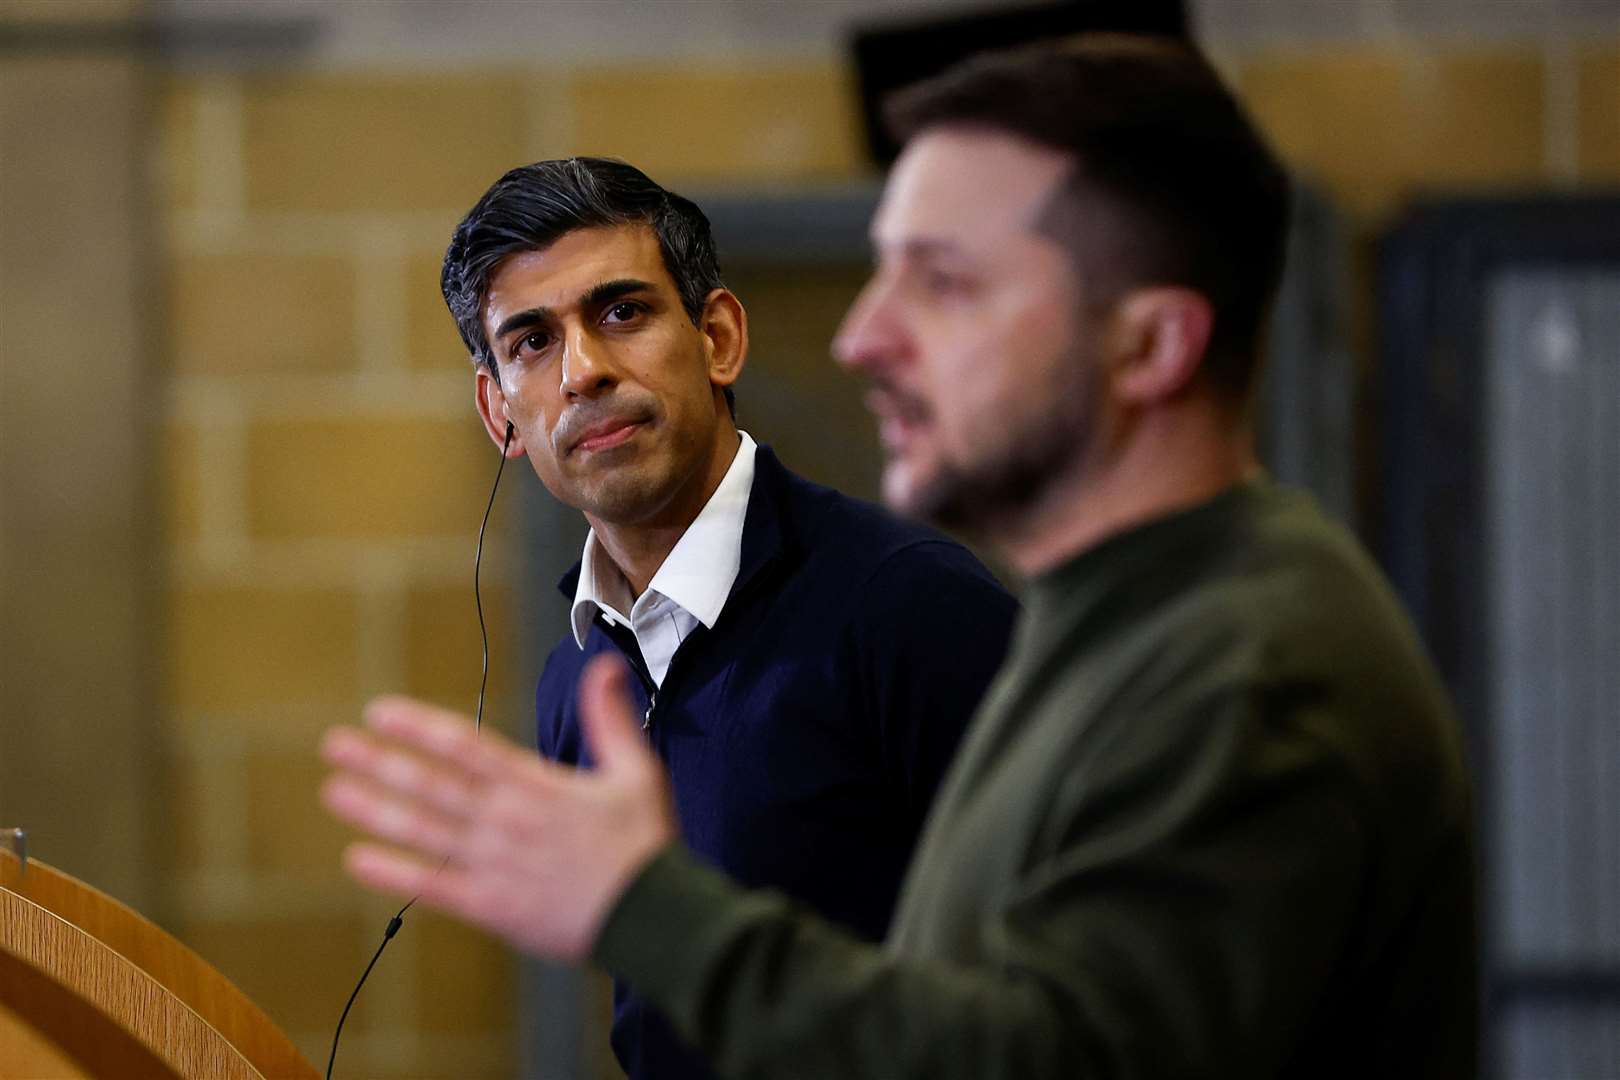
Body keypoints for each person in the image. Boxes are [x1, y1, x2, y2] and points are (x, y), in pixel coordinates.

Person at [323, 36, 1477, 1078]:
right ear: (496, 405)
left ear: (1149, 344)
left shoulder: (1244, 667)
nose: (863, 337)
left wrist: (643, 905)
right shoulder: (1130, 628)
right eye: (534, 341)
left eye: (945, 283)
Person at [434, 157, 1016, 1079]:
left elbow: (1063, 994)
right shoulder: (577, 684)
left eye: (621, 312)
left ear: (718, 338)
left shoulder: (911, 606)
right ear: (499, 412)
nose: (583, 371)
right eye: (531, 342)